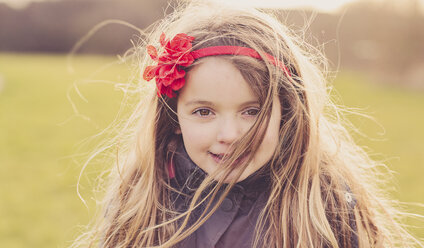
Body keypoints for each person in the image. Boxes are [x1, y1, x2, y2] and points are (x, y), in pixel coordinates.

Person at [71, 1, 423, 247]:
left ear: (287, 110)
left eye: (252, 111)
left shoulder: (325, 208)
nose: (231, 136)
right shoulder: (141, 202)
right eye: (204, 112)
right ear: (173, 116)